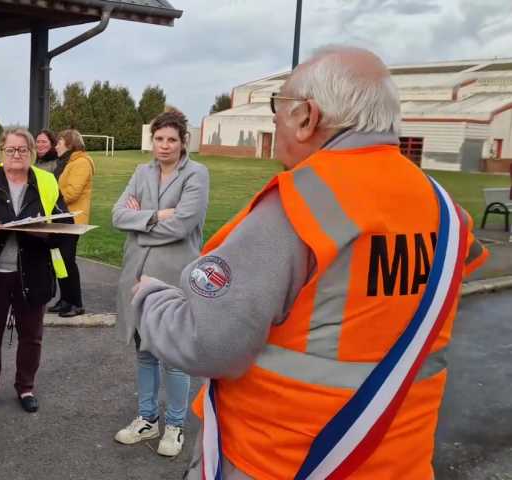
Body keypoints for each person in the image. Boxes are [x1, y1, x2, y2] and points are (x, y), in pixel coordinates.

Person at [132, 46, 489, 479]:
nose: (275, 120)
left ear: (306, 116)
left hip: (281, 462)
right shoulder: (443, 207)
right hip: (401, 462)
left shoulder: (301, 205)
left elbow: (207, 344)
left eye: (278, 106)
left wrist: (150, 298)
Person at [111, 110, 210, 458]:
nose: (164, 146)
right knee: (145, 352)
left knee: (173, 355)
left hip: (172, 279)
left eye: (171, 140)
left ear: (183, 142)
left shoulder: (197, 174)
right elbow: (117, 215)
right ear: (152, 141)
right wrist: (155, 216)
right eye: (159, 139)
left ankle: (175, 426)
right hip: (136, 276)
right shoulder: (142, 172)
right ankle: (147, 418)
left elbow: (183, 225)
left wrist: (140, 225)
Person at [0, 128, 72, 414]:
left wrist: (45, 231)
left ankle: (25, 387)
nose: (16, 155)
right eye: (11, 150)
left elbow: (66, 221)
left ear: (32, 153)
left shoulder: (46, 181)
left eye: (22, 150)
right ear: (1, 151)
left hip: (33, 272)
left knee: (32, 336)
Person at [47, 129, 95, 318]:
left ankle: (76, 303)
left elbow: (72, 192)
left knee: (67, 261)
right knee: (60, 260)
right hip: (61, 218)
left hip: (72, 219)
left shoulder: (81, 162)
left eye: (59, 142)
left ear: (69, 143)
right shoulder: (66, 162)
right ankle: (65, 299)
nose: (56, 145)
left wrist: (49, 197)